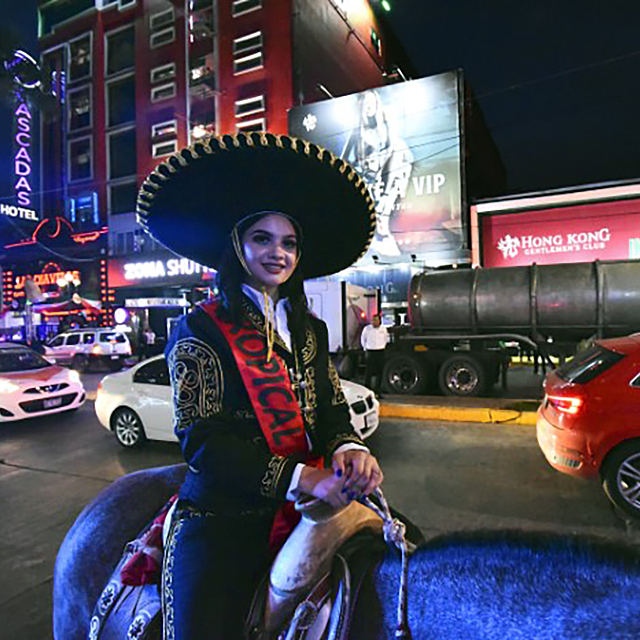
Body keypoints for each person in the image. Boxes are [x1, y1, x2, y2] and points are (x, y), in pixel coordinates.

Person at [136, 132, 414, 638]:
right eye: (261, 238)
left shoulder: (311, 328)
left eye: (288, 242)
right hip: (225, 510)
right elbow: (202, 442)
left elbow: (329, 409)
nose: (278, 253)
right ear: (237, 246)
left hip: (319, 499)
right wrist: (303, 479)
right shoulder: (200, 328)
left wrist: (349, 447)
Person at [361, 313, 389, 397]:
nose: (374, 322)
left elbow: (386, 338)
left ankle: (378, 392)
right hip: (370, 351)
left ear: (379, 321)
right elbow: (363, 339)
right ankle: (367, 392)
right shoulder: (367, 329)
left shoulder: (383, 329)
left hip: (380, 352)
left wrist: (383, 346)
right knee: (368, 373)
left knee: (379, 372)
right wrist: (365, 348)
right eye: (373, 320)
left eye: (376, 320)